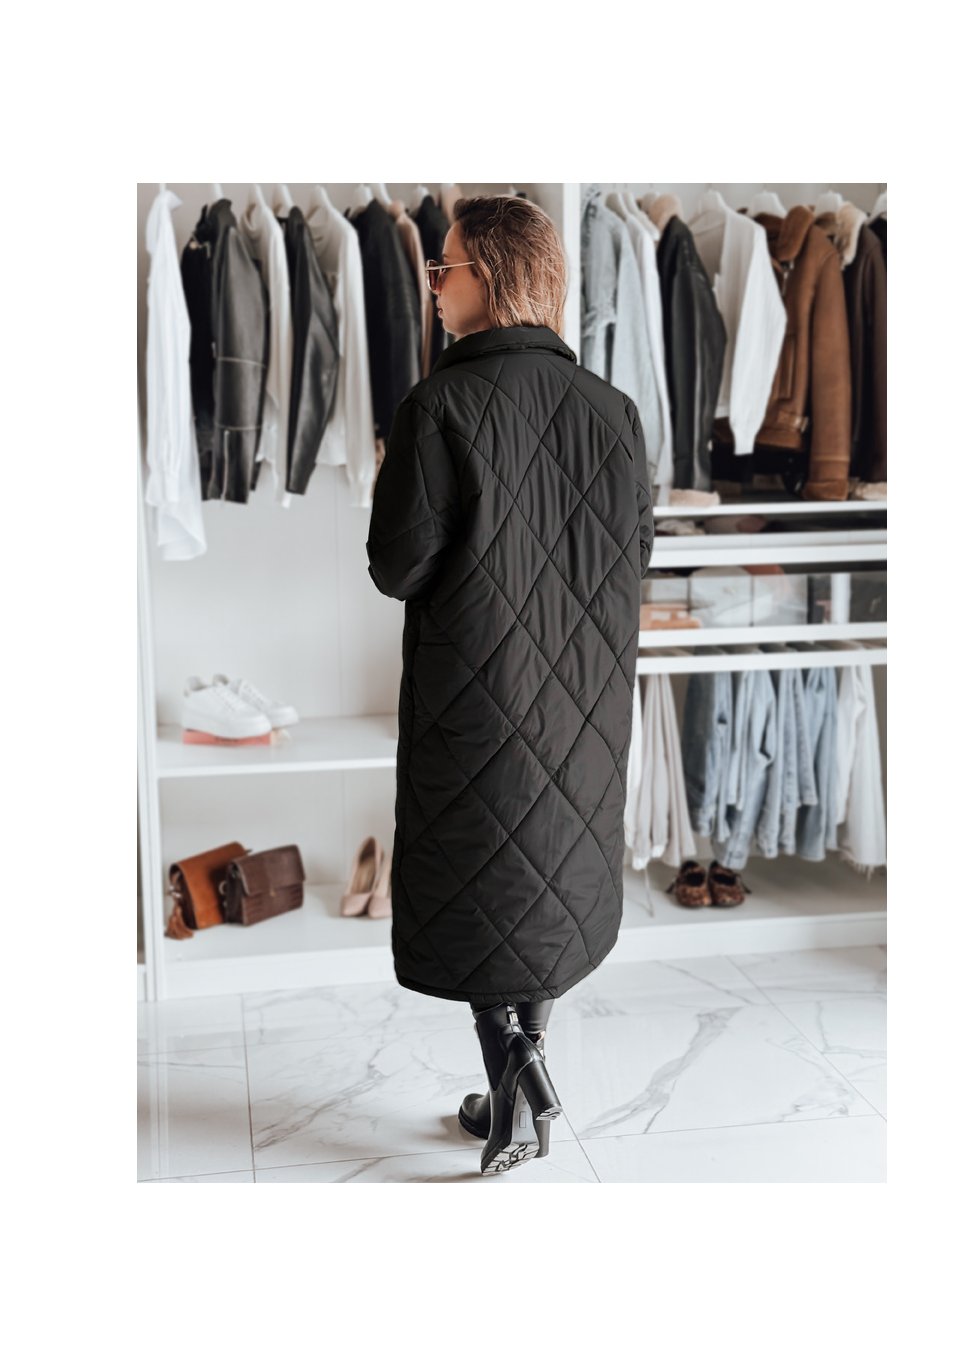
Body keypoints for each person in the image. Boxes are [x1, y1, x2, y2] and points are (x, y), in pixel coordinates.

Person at [366, 194, 654, 1174]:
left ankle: (517, 1082)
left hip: (476, 696)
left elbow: (396, 567)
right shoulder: (614, 412)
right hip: (584, 701)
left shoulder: (436, 407)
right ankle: (513, 1091)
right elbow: (632, 557)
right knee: (542, 878)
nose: (432, 286)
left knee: (485, 875)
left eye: (441, 268)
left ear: (486, 277)